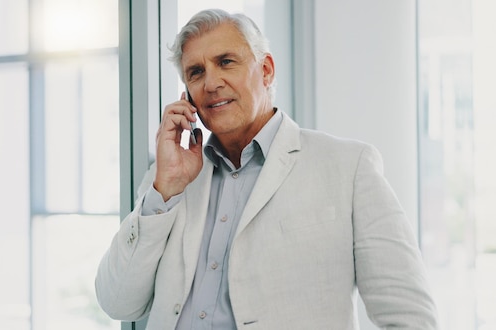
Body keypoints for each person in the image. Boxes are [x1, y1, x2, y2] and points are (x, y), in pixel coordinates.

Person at [96, 8, 438, 329]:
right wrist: (164, 191)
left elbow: (409, 317)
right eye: (196, 72)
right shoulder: (172, 178)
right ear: (187, 95)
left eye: (226, 62)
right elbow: (118, 302)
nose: (211, 83)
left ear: (267, 70)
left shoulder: (348, 167)